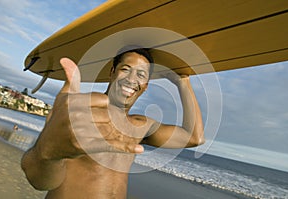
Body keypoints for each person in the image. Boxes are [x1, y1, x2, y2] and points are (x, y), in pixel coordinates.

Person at [21, 47, 204, 199]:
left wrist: (183, 83)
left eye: (141, 74)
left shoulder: (141, 126)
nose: (132, 79)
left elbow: (194, 137)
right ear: (112, 72)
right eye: (125, 69)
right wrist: (47, 154)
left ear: (146, 85)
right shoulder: (79, 112)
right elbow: (37, 179)